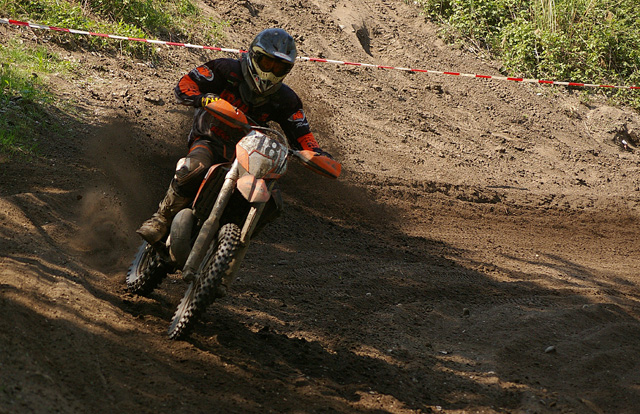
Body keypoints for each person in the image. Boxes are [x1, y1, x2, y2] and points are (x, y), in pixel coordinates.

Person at [137, 28, 336, 244]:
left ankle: (233, 242)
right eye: (267, 63)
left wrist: (317, 155)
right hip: (210, 139)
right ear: (254, 56)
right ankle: (161, 219)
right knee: (193, 168)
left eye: (279, 67)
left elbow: (303, 135)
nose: (271, 71)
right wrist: (206, 99)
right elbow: (186, 85)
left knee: (272, 202)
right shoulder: (224, 69)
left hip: (251, 158)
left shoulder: (286, 99)